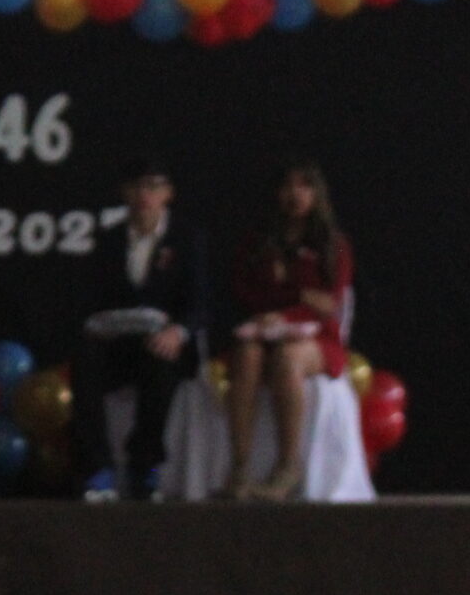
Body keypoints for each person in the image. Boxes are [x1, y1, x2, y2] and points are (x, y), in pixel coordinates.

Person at [71, 154, 208, 501]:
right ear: (124, 192)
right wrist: (99, 324)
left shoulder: (186, 239)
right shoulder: (109, 241)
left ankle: (144, 465)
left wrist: (177, 331)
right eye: (136, 186)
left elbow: (198, 304)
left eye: (153, 186)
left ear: (168, 193)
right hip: (119, 342)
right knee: (85, 360)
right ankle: (97, 468)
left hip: (164, 341)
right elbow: (91, 299)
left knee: (159, 364)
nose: (144, 194)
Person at [226, 160, 354, 500]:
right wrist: (293, 299)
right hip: (262, 328)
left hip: (316, 337)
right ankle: (239, 467)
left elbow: (329, 303)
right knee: (246, 356)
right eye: (287, 186)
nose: (295, 194)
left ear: (317, 194)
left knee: (287, 359)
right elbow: (245, 291)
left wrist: (289, 305)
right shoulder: (258, 242)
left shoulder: (334, 245)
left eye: (304, 186)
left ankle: (287, 465)